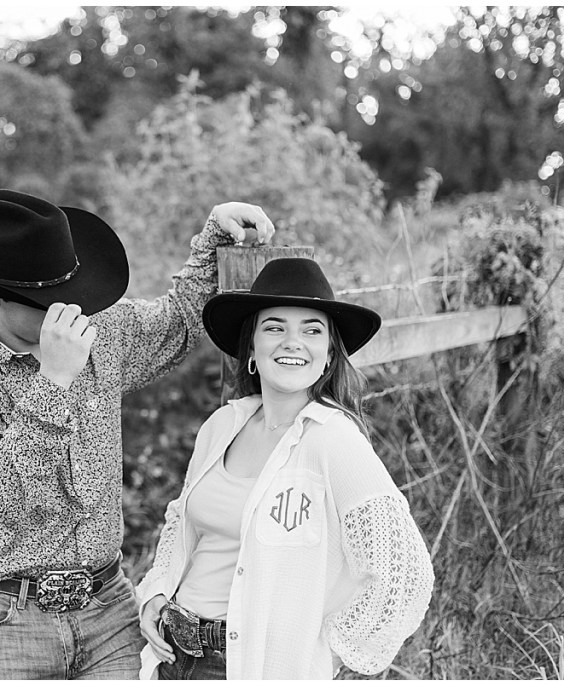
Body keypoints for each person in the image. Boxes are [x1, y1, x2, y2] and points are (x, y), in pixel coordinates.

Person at [0, 189, 274, 679]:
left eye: (70, 289)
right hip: (1, 621)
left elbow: (179, 321)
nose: (69, 308)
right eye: (42, 299)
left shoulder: (97, 330)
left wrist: (212, 237)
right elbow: (1, 495)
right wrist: (54, 382)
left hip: (107, 607)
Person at [136, 257, 435, 680]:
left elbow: (403, 574)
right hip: (172, 654)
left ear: (329, 354)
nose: (292, 342)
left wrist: (324, 654)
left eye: (312, 330)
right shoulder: (223, 425)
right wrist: (156, 593)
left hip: (247, 665)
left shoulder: (333, 440)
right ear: (252, 346)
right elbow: (180, 523)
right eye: (274, 327)